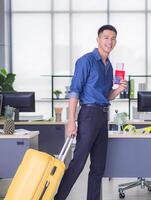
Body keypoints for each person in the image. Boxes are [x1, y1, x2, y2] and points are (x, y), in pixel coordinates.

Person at [54, 24, 127, 200]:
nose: (110, 41)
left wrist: (118, 90)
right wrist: (71, 121)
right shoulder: (85, 61)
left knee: (98, 168)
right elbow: (74, 91)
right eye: (106, 37)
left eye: (113, 38)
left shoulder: (109, 66)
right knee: (78, 163)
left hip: (103, 116)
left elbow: (106, 95)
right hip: (88, 115)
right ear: (98, 39)